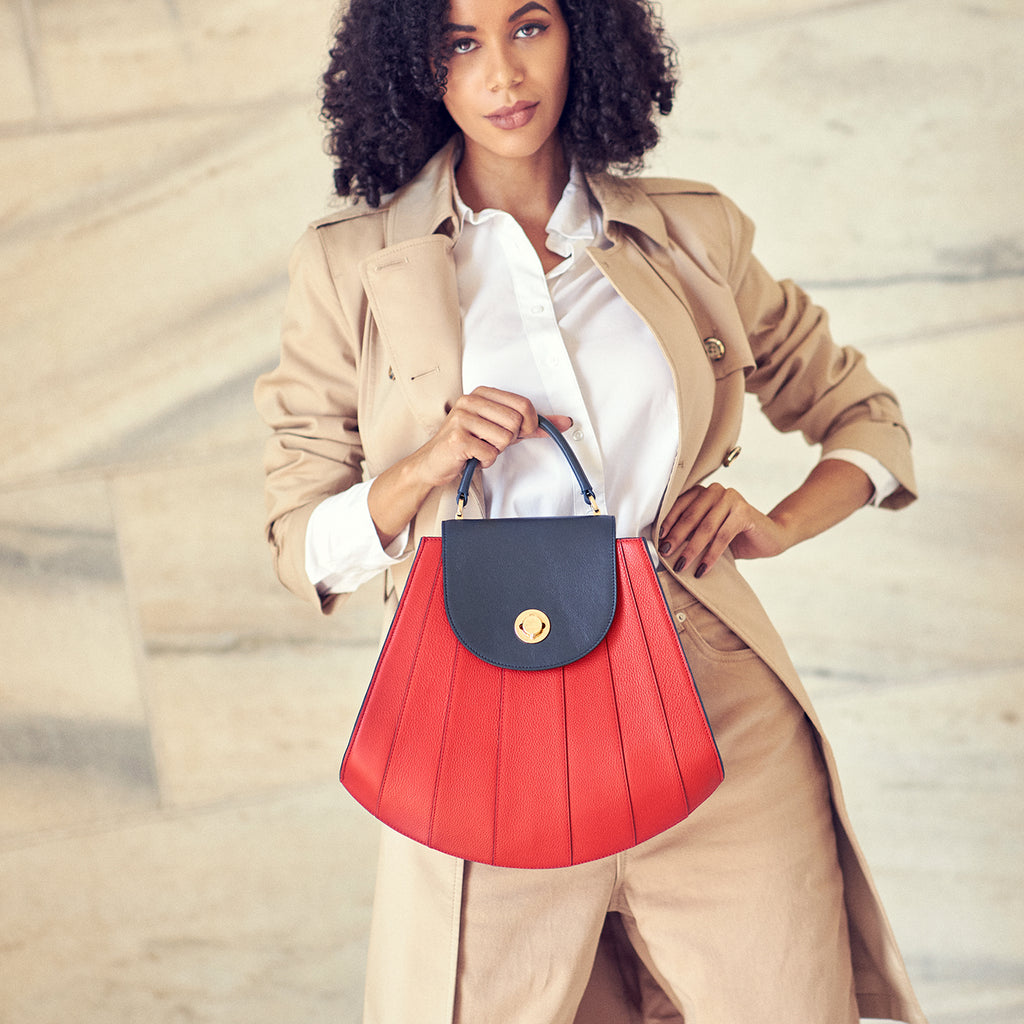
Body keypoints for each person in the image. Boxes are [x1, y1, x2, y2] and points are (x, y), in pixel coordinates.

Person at [254, 0, 930, 1021]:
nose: (501, 75)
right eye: (459, 43)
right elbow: (302, 546)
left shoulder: (693, 232)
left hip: (718, 711)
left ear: (586, 33)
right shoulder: (351, 265)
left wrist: (780, 520)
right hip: (482, 731)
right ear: (411, 64)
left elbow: (864, 419)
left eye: (529, 27)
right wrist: (429, 461)